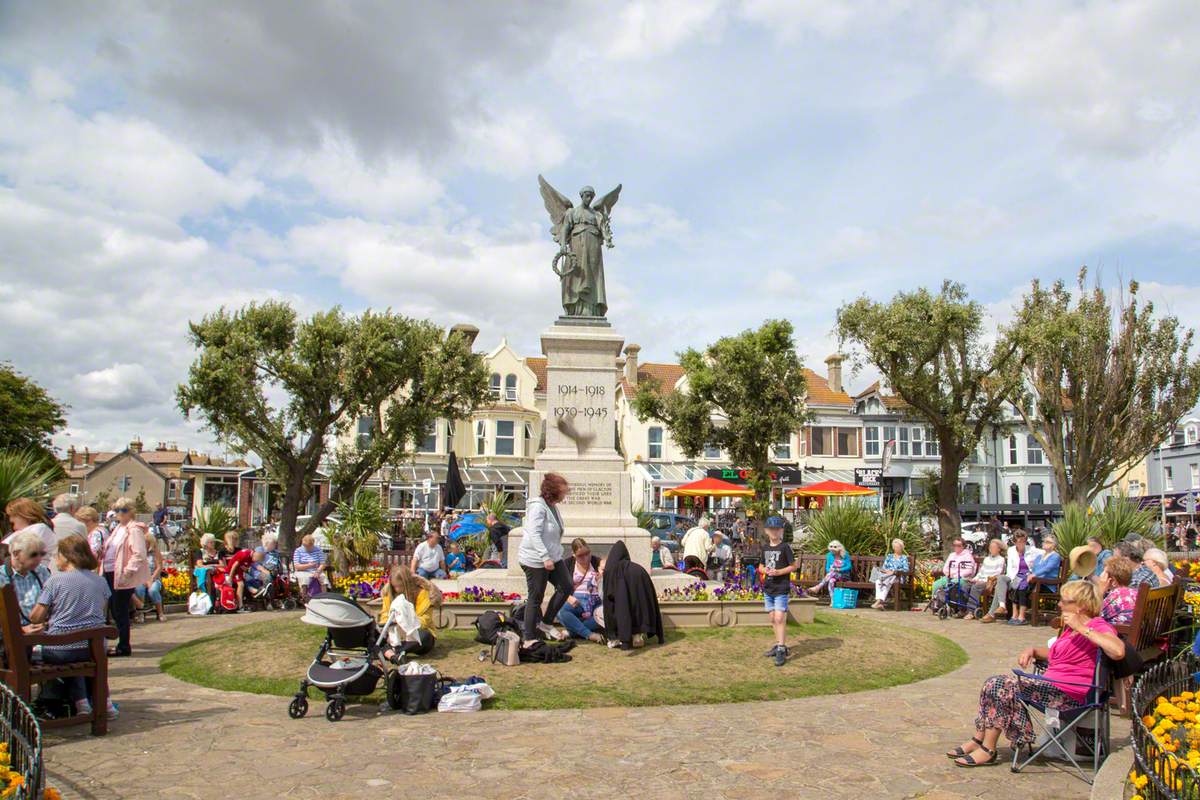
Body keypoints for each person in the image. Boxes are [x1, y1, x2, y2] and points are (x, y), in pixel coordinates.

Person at [946, 580, 1125, 767]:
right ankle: (979, 739)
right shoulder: (1069, 630)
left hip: (1071, 695)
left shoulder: (1098, 626)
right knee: (993, 683)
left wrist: (1082, 628)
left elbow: (1118, 650)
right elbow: (1056, 654)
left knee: (999, 685)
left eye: (1064, 601)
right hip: (1052, 687)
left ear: (1081, 605)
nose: (1059, 604)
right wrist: (1032, 650)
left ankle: (988, 749)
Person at [30, 535, 118, 719]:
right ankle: (102, 703)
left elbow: (36, 617)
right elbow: (102, 612)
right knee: (78, 648)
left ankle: (73, 703)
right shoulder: (100, 581)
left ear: (67, 556)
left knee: (38, 652)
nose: (55, 559)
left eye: (57, 555)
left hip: (61, 650)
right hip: (93, 648)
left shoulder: (56, 581)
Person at [517, 473, 573, 645]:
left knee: (566, 586)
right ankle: (529, 637)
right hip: (535, 560)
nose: (566, 494)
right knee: (536, 597)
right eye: (563, 491)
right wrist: (544, 557)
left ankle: (546, 623)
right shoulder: (538, 507)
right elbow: (534, 533)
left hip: (553, 557)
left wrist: (552, 556)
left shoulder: (552, 507)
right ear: (554, 491)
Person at [99, 498, 149, 657]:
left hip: (120, 574)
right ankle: (120, 642)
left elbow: (139, 554)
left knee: (119, 609)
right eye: (117, 510)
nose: (120, 513)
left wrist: (128, 571)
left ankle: (124, 645)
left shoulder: (134, 529)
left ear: (131, 511)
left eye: (124, 510)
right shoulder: (118, 528)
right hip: (109, 571)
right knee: (114, 608)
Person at [601, 540, 664, 651]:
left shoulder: (611, 572)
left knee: (619, 607)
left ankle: (619, 638)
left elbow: (610, 601)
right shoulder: (638, 569)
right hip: (641, 613)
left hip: (621, 616)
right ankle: (637, 635)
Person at [378, 563, 442, 659]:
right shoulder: (389, 593)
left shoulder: (423, 592)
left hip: (416, 632)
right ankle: (395, 652)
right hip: (395, 633)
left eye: (400, 586)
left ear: (407, 583)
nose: (398, 589)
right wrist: (391, 623)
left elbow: (426, 619)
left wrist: (405, 622)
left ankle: (394, 651)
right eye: (395, 586)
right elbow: (384, 615)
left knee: (425, 636)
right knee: (376, 634)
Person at [760, 516, 797, 667]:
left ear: (781, 530)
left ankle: (782, 648)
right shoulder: (765, 548)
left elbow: (793, 566)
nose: (774, 532)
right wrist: (765, 571)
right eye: (771, 529)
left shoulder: (785, 547)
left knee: (780, 617)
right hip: (768, 588)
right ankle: (778, 644)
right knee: (772, 618)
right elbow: (761, 566)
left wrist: (779, 572)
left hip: (781, 587)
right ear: (766, 531)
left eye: (777, 529)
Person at [556, 538, 604, 643]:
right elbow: (559, 586)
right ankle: (590, 634)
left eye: (587, 553)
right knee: (560, 612)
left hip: (594, 600)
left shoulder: (597, 562)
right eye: (580, 556)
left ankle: (572, 631)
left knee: (605, 614)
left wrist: (601, 578)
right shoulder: (567, 564)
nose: (585, 558)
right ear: (574, 555)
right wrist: (568, 598)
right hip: (576, 600)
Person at [0, 529, 51, 630]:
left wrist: (45, 625)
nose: (39, 559)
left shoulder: (42, 571)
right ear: (16, 554)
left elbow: (54, 604)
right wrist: (21, 630)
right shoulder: (2, 576)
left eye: (42, 554)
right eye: (33, 554)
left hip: (42, 632)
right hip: (12, 637)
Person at [1003, 531, 1040, 626]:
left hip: (1028, 575)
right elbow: (1010, 567)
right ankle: (1014, 614)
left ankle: (1022, 616)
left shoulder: (1031, 550)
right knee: (1013, 586)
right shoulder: (1011, 550)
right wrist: (1011, 578)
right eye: (1019, 541)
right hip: (1016, 575)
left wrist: (1034, 572)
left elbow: (1045, 552)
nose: (1021, 543)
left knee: (1021, 587)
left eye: (1023, 541)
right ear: (1015, 542)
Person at [134, 529, 165, 623]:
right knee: (139, 589)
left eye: (146, 543)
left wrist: (151, 579)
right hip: (141, 578)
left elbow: (159, 567)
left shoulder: (155, 553)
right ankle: (141, 613)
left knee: (153, 590)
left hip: (154, 578)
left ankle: (160, 613)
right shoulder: (139, 554)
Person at [1098, 555, 1137, 626]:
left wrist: (1100, 591)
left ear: (1113, 581)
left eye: (1104, 572)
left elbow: (1091, 617)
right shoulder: (1134, 593)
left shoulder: (1117, 596)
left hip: (1118, 634)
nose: (1101, 575)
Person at [871, 538, 910, 610]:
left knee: (888, 582)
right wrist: (887, 571)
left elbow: (906, 569)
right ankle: (880, 603)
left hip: (898, 577)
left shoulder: (904, 558)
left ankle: (878, 602)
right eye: (895, 547)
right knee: (878, 581)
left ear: (902, 548)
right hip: (886, 575)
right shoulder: (889, 556)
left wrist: (894, 571)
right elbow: (884, 567)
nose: (897, 549)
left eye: (898, 547)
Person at [971, 538, 1007, 615]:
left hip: (991, 582)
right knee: (965, 585)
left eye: (993, 548)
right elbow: (981, 572)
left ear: (999, 549)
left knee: (976, 587)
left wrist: (983, 580)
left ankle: (970, 611)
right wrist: (974, 579)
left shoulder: (1001, 559)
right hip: (980, 580)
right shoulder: (986, 559)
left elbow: (998, 573)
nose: (991, 549)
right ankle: (962, 609)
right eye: (990, 547)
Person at [50, 494, 87, 563]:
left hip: (51, 564)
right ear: (72, 507)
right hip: (72, 565)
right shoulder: (79, 526)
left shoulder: (48, 524)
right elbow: (84, 549)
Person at [292, 534, 327, 600]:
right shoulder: (298, 551)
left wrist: (318, 572)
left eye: (309, 546)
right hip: (302, 571)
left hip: (316, 570)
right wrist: (309, 565)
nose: (307, 548)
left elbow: (323, 564)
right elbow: (297, 566)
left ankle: (324, 597)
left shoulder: (318, 550)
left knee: (323, 578)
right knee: (304, 579)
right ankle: (304, 598)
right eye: (306, 546)